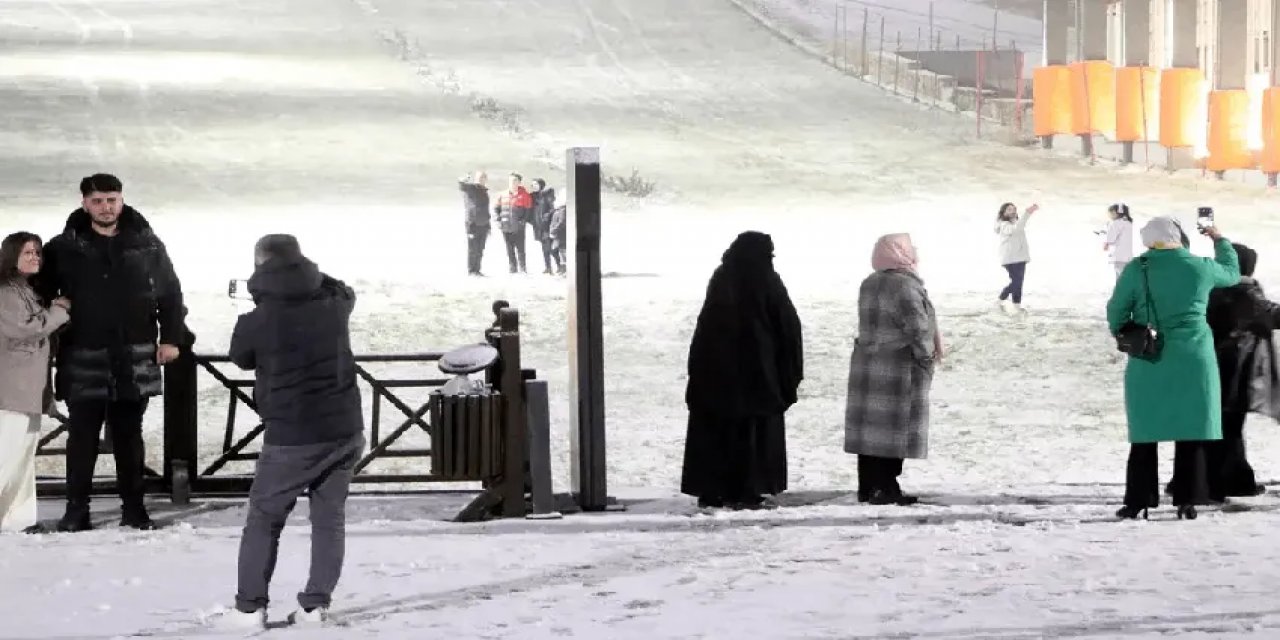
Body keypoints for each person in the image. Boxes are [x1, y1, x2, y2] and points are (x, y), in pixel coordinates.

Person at [222, 235, 364, 629]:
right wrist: (307, 274)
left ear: (259, 266)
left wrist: (248, 303)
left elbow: (240, 357)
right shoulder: (334, 304)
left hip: (292, 435)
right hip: (344, 428)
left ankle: (249, 608)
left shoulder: (259, 318)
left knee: (265, 519)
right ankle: (314, 606)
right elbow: (343, 288)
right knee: (329, 519)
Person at [37, 174, 185, 532]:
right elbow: (41, 294)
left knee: (129, 435)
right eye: (99, 200)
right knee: (82, 436)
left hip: (134, 355)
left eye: (112, 200)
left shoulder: (147, 245)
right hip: (82, 353)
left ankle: (134, 509)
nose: (106, 207)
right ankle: (77, 511)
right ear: (85, 202)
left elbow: (170, 294)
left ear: (121, 200)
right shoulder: (63, 247)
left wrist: (172, 339)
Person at [1106, 216, 1239, 520]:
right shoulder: (1199, 266)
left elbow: (1116, 310)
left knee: (1145, 433)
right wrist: (1219, 238)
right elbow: (1232, 273)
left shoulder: (1137, 269)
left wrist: (1123, 331)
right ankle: (1187, 499)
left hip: (1149, 358)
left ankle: (1138, 500)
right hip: (1194, 357)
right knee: (1190, 429)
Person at [681, 231, 803, 510]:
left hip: (715, 373)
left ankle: (712, 489)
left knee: (716, 430)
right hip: (758, 373)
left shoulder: (722, 278)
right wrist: (788, 373)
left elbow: (705, 326)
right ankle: (748, 489)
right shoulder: (767, 280)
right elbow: (788, 327)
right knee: (753, 433)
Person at [1168, 242, 1279, 501]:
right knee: (1228, 426)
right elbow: (1272, 315)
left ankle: (1201, 481)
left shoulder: (1206, 286)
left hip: (1201, 365)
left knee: (1210, 426)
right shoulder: (1243, 292)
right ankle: (1227, 483)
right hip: (1232, 370)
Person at [844, 234, 941, 506]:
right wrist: (926, 357)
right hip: (897, 368)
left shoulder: (869, 283)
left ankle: (869, 487)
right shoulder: (905, 286)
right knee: (892, 431)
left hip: (869, 364)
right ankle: (885, 487)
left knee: (870, 432)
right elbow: (919, 328)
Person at [0, 233, 70, 534]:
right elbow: (27, 329)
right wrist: (60, 310)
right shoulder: (5, 292)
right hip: (11, 388)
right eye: (27, 252)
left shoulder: (22, 289)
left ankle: (16, 519)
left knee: (22, 456)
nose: (35, 258)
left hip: (27, 387)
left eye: (38, 253)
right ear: (11, 256)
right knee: (7, 454)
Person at [995, 202, 1040, 314]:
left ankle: (1016, 305)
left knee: (1019, 283)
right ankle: (1001, 298)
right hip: (1010, 259)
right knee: (1016, 282)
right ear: (1003, 213)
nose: (1013, 211)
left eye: (1014, 209)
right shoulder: (1004, 225)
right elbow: (1016, 229)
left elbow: (1019, 229)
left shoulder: (1016, 223)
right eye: (1009, 209)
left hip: (1020, 258)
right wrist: (1027, 213)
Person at [492, 173, 532, 274]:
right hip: (505, 226)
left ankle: (523, 269)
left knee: (521, 249)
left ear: (519, 182)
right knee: (509, 250)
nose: (512, 183)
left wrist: (522, 222)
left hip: (518, 228)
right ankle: (513, 269)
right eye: (510, 180)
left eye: (515, 180)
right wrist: (498, 221)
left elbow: (528, 211)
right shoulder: (502, 195)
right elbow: (496, 209)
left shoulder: (525, 195)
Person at [458, 171, 491, 276]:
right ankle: (471, 270)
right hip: (473, 224)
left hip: (483, 225)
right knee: (473, 249)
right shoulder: (471, 188)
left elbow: (486, 210)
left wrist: (488, 226)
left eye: (483, 178)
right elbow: (462, 186)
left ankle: (477, 270)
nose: (482, 179)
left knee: (480, 249)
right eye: (480, 178)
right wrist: (463, 180)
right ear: (476, 179)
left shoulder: (484, 191)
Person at [529, 178, 562, 275]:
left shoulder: (547, 195)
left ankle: (560, 266)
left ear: (541, 185)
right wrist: (531, 220)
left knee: (550, 248)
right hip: (538, 226)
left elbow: (553, 208)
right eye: (532, 185)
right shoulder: (533, 197)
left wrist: (547, 216)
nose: (533, 186)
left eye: (535, 184)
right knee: (544, 248)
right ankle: (548, 268)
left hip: (547, 226)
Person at [1103, 203, 1134, 279]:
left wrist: (1105, 243)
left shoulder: (1116, 223)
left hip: (1118, 256)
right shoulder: (1128, 223)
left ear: (1115, 213)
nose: (1109, 216)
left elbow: (1110, 238)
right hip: (1127, 256)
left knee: (1121, 277)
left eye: (1110, 213)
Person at [549, 203, 567, 276]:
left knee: (559, 251)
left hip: (560, 235)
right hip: (557, 234)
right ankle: (562, 268)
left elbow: (562, 222)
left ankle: (564, 269)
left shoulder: (563, 210)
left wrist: (554, 230)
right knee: (559, 251)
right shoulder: (559, 210)